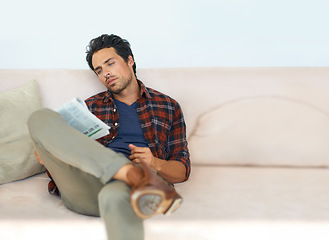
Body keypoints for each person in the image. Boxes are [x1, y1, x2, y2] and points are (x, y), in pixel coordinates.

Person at [28, 34, 190, 240]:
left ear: (129, 60)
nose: (105, 73)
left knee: (114, 195)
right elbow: (70, 152)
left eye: (109, 64)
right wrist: (50, 152)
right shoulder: (87, 107)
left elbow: (182, 171)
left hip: (125, 191)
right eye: (99, 70)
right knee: (40, 117)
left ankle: (130, 174)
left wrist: (155, 163)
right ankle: (127, 171)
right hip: (83, 184)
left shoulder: (168, 106)